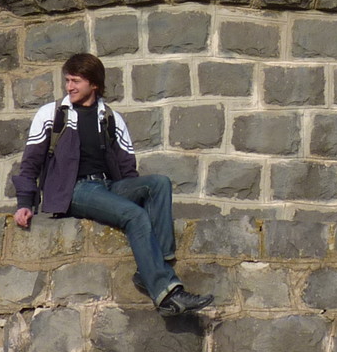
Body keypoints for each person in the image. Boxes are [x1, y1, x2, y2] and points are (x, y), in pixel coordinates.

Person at [12, 52, 214, 315]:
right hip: (73, 191)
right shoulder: (51, 114)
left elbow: (128, 168)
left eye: (76, 81)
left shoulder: (110, 118)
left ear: (93, 84)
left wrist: (127, 195)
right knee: (134, 215)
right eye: (68, 81)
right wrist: (24, 203)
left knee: (159, 184)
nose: (69, 87)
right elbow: (31, 162)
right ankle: (166, 294)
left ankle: (150, 270)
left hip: (106, 187)